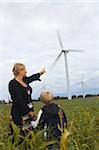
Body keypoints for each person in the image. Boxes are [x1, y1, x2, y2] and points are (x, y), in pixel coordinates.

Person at [8, 63, 46, 128]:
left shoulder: (24, 81)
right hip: (20, 113)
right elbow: (18, 100)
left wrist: (40, 73)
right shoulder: (13, 84)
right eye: (24, 70)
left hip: (29, 112)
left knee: (29, 133)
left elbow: (32, 78)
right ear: (20, 71)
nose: (26, 71)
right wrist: (28, 112)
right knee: (22, 133)